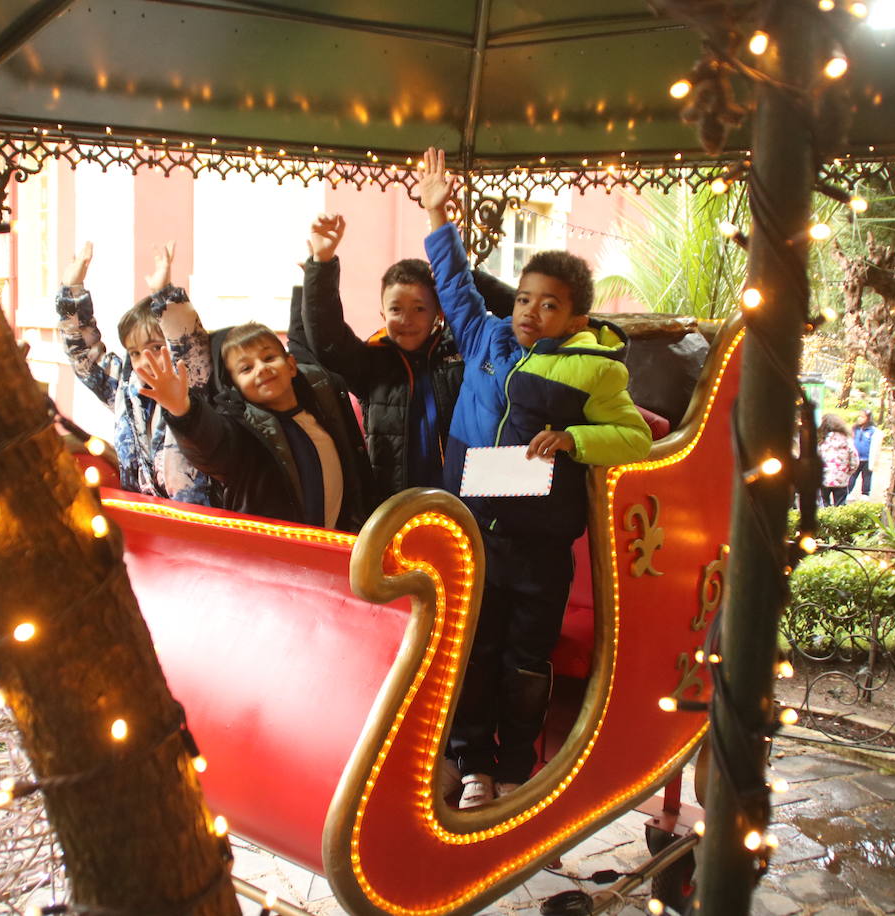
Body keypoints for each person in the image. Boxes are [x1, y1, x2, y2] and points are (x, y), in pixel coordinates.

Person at [415, 147, 653, 807]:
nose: (529, 312)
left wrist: (575, 438)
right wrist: (437, 211)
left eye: (549, 306)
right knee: (471, 653)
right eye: (524, 299)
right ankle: (472, 766)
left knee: (524, 662)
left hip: (540, 549)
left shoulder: (597, 368)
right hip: (471, 533)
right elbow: (456, 282)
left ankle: (519, 766)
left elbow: (632, 437)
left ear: (575, 318)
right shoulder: (487, 340)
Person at [135, 321, 373, 532]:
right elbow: (213, 444)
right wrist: (183, 409)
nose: (261, 368)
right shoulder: (244, 435)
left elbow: (307, 330)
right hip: (276, 557)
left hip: (334, 543)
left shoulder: (320, 410)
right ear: (236, 386)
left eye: (269, 358)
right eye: (246, 368)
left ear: (291, 366)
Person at [295, 213, 462, 502]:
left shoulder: (457, 356)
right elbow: (327, 340)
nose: (406, 319)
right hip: (393, 499)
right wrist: (321, 265)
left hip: (457, 498)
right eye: (396, 309)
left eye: (419, 309)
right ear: (383, 314)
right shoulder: (372, 361)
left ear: (439, 313)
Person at [55, 241, 215, 505]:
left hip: (196, 519)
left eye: (155, 347)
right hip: (144, 515)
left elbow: (188, 342)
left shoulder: (192, 379)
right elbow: (84, 355)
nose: (145, 359)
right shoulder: (125, 388)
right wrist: (72, 293)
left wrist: (164, 295)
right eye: (135, 352)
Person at [817, 413, 857, 507]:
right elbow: (854, 460)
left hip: (823, 478)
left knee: (824, 504)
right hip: (841, 479)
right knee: (840, 505)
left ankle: (825, 521)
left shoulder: (821, 441)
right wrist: (848, 472)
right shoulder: (847, 440)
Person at [849, 409, 877, 498]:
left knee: (867, 477)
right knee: (852, 476)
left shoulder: (872, 430)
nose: (860, 419)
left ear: (868, 418)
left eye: (862, 417)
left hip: (867, 458)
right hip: (856, 458)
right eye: (859, 416)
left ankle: (865, 494)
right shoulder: (855, 429)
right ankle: (848, 492)